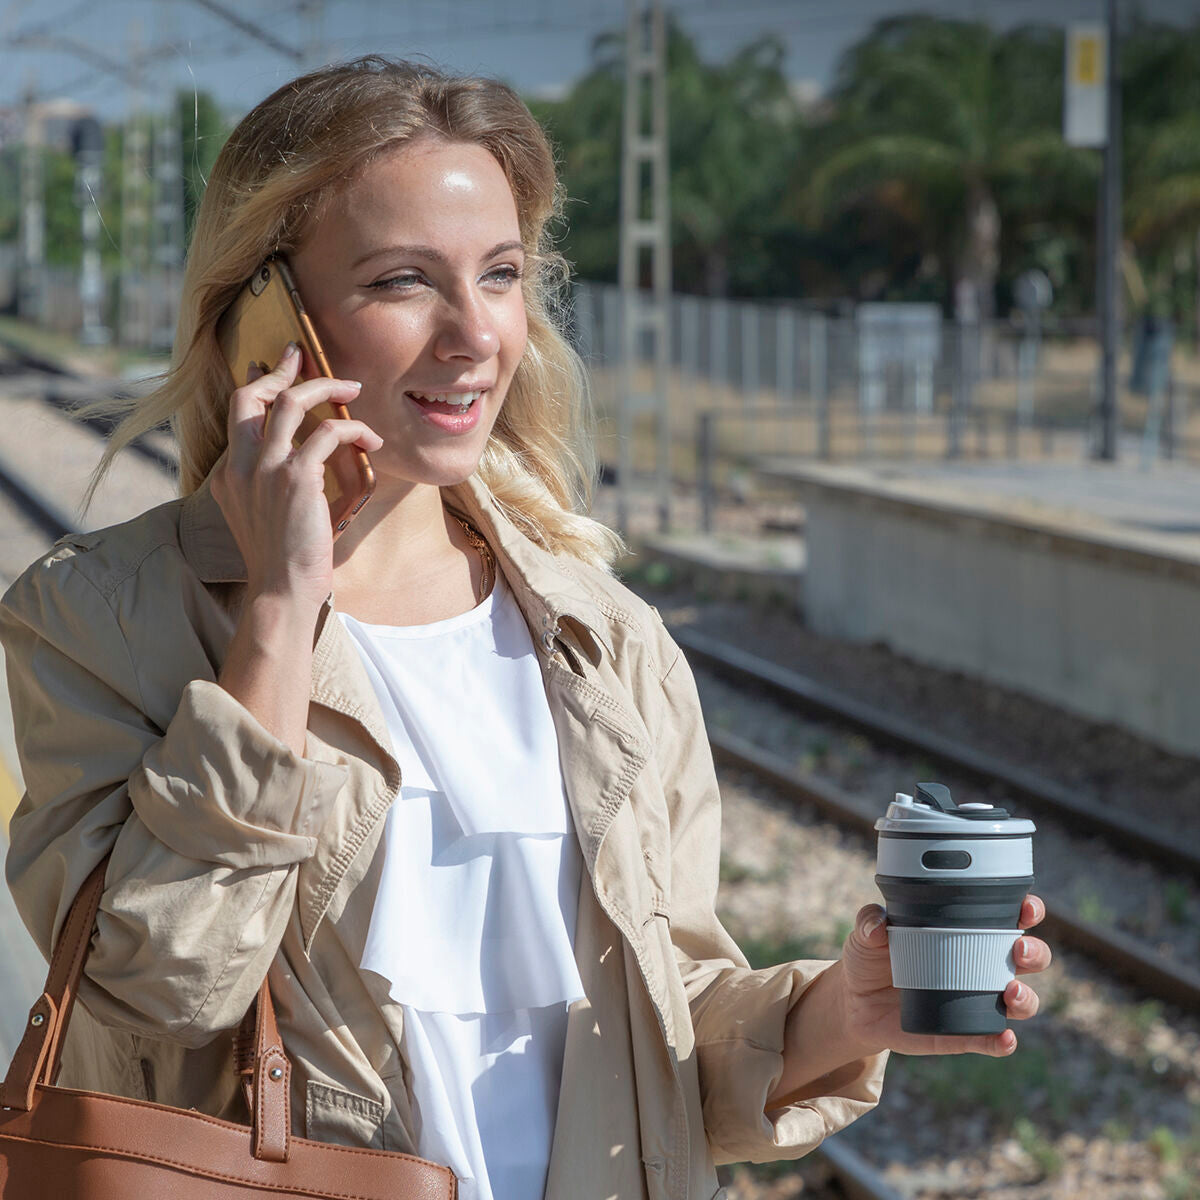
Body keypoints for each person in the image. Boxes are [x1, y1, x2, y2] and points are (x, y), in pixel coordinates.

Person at [0, 57, 1050, 1200]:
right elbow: (157, 992)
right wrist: (280, 610)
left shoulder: (606, 636)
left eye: (498, 275)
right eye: (405, 281)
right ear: (267, 319)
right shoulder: (93, 613)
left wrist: (840, 1013)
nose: (475, 336)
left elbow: (672, 1038)